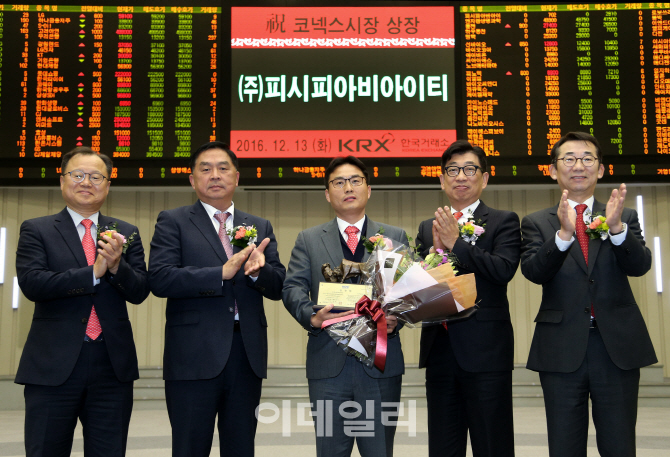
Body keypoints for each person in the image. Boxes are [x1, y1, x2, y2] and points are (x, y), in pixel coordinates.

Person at [521, 131, 657, 457]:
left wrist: (617, 230)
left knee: (619, 445)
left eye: (587, 158)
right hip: (561, 349)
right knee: (565, 447)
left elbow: (640, 266)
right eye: (568, 158)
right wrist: (564, 236)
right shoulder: (537, 222)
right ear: (553, 170)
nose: (578, 165)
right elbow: (534, 272)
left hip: (617, 349)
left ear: (601, 169)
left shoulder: (622, 217)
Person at [148, 141, 285, 457]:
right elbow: (160, 277)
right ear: (192, 179)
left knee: (240, 447)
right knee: (189, 447)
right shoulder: (173, 220)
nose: (215, 175)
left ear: (236, 178)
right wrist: (218, 273)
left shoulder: (258, 225)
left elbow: (278, 285)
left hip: (245, 354)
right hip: (192, 355)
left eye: (223, 168)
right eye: (205, 169)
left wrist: (255, 274)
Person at [15, 146, 150, 457]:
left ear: (108, 185)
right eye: (78, 175)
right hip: (52, 365)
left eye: (96, 176)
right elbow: (34, 283)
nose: (86, 182)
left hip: (112, 365)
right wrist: (93, 272)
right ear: (62, 181)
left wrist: (117, 267)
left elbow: (141, 290)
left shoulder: (125, 233)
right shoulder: (37, 229)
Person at [282, 156, 407, 457]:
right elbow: (292, 287)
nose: (347, 187)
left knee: (379, 451)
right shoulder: (308, 239)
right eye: (338, 182)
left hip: (380, 364)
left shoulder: (394, 237)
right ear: (328, 194)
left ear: (368, 189)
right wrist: (312, 315)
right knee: (330, 451)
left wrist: (396, 318)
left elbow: (406, 292)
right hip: (329, 365)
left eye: (355, 180)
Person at [415, 140, 520, 457]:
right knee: (443, 447)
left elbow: (502, 271)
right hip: (440, 351)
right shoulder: (425, 227)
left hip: (486, 354)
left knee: (492, 444)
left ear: (484, 178)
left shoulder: (504, 221)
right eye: (453, 170)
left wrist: (456, 244)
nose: (461, 176)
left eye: (469, 169)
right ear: (442, 179)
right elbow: (422, 290)